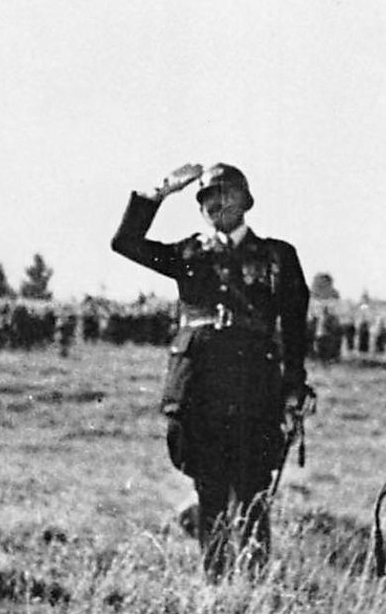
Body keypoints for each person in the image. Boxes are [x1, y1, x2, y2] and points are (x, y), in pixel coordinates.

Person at [111, 162, 311, 580]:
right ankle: (216, 585)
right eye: (206, 198)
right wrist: (160, 191)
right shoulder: (189, 254)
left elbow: (294, 326)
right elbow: (125, 243)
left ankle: (254, 589)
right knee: (211, 490)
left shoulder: (277, 256)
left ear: (246, 201)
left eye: (226, 194)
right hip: (200, 389)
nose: (215, 203)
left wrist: (294, 387)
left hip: (256, 389)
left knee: (254, 492)